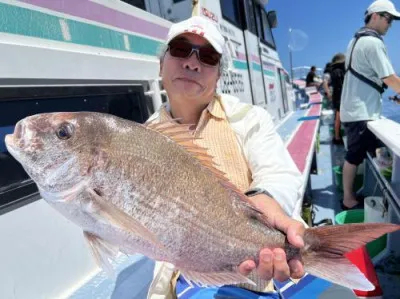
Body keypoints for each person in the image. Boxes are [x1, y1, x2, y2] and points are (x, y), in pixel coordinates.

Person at [145, 15, 306, 298]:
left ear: (219, 75)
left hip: (267, 268)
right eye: (181, 50)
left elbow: (278, 173)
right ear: (161, 63)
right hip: (191, 277)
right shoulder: (143, 137)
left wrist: (264, 201)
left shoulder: (250, 118)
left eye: (207, 57)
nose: (192, 63)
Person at [340, 0, 400, 210]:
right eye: (388, 19)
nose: (390, 25)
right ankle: (349, 199)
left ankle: (366, 195)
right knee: (355, 156)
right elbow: (390, 79)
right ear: (375, 15)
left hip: (354, 111)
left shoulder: (355, 40)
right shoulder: (373, 43)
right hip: (361, 113)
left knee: (357, 155)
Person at [330, 53, 346, 145]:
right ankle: (337, 137)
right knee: (338, 118)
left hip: (337, 98)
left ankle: (337, 136)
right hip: (340, 98)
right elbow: (341, 86)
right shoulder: (339, 71)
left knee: (338, 117)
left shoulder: (334, 71)